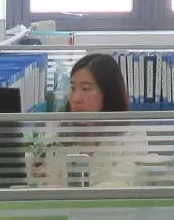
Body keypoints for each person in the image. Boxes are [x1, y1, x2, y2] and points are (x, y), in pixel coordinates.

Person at [35, 53, 147, 186]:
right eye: (73, 88)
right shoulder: (57, 137)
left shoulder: (131, 138)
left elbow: (120, 186)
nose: (76, 98)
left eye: (85, 89)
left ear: (108, 94)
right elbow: (47, 185)